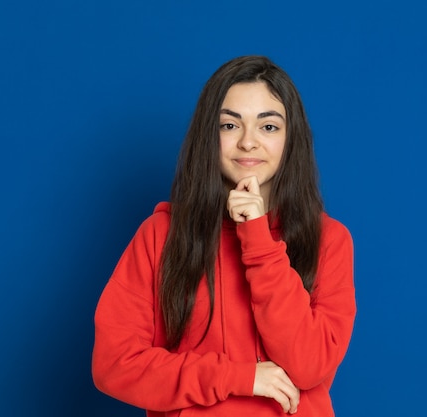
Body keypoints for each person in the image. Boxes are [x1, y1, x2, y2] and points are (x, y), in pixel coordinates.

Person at [92, 55, 356, 416]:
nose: (248, 142)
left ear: (291, 138)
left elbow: (310, 365)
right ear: (209, 135)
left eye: (268, 127)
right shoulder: (162, 235)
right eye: (230, 125)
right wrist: (238, 377)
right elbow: (115, 364)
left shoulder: (329, 240)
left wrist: (258, 240)